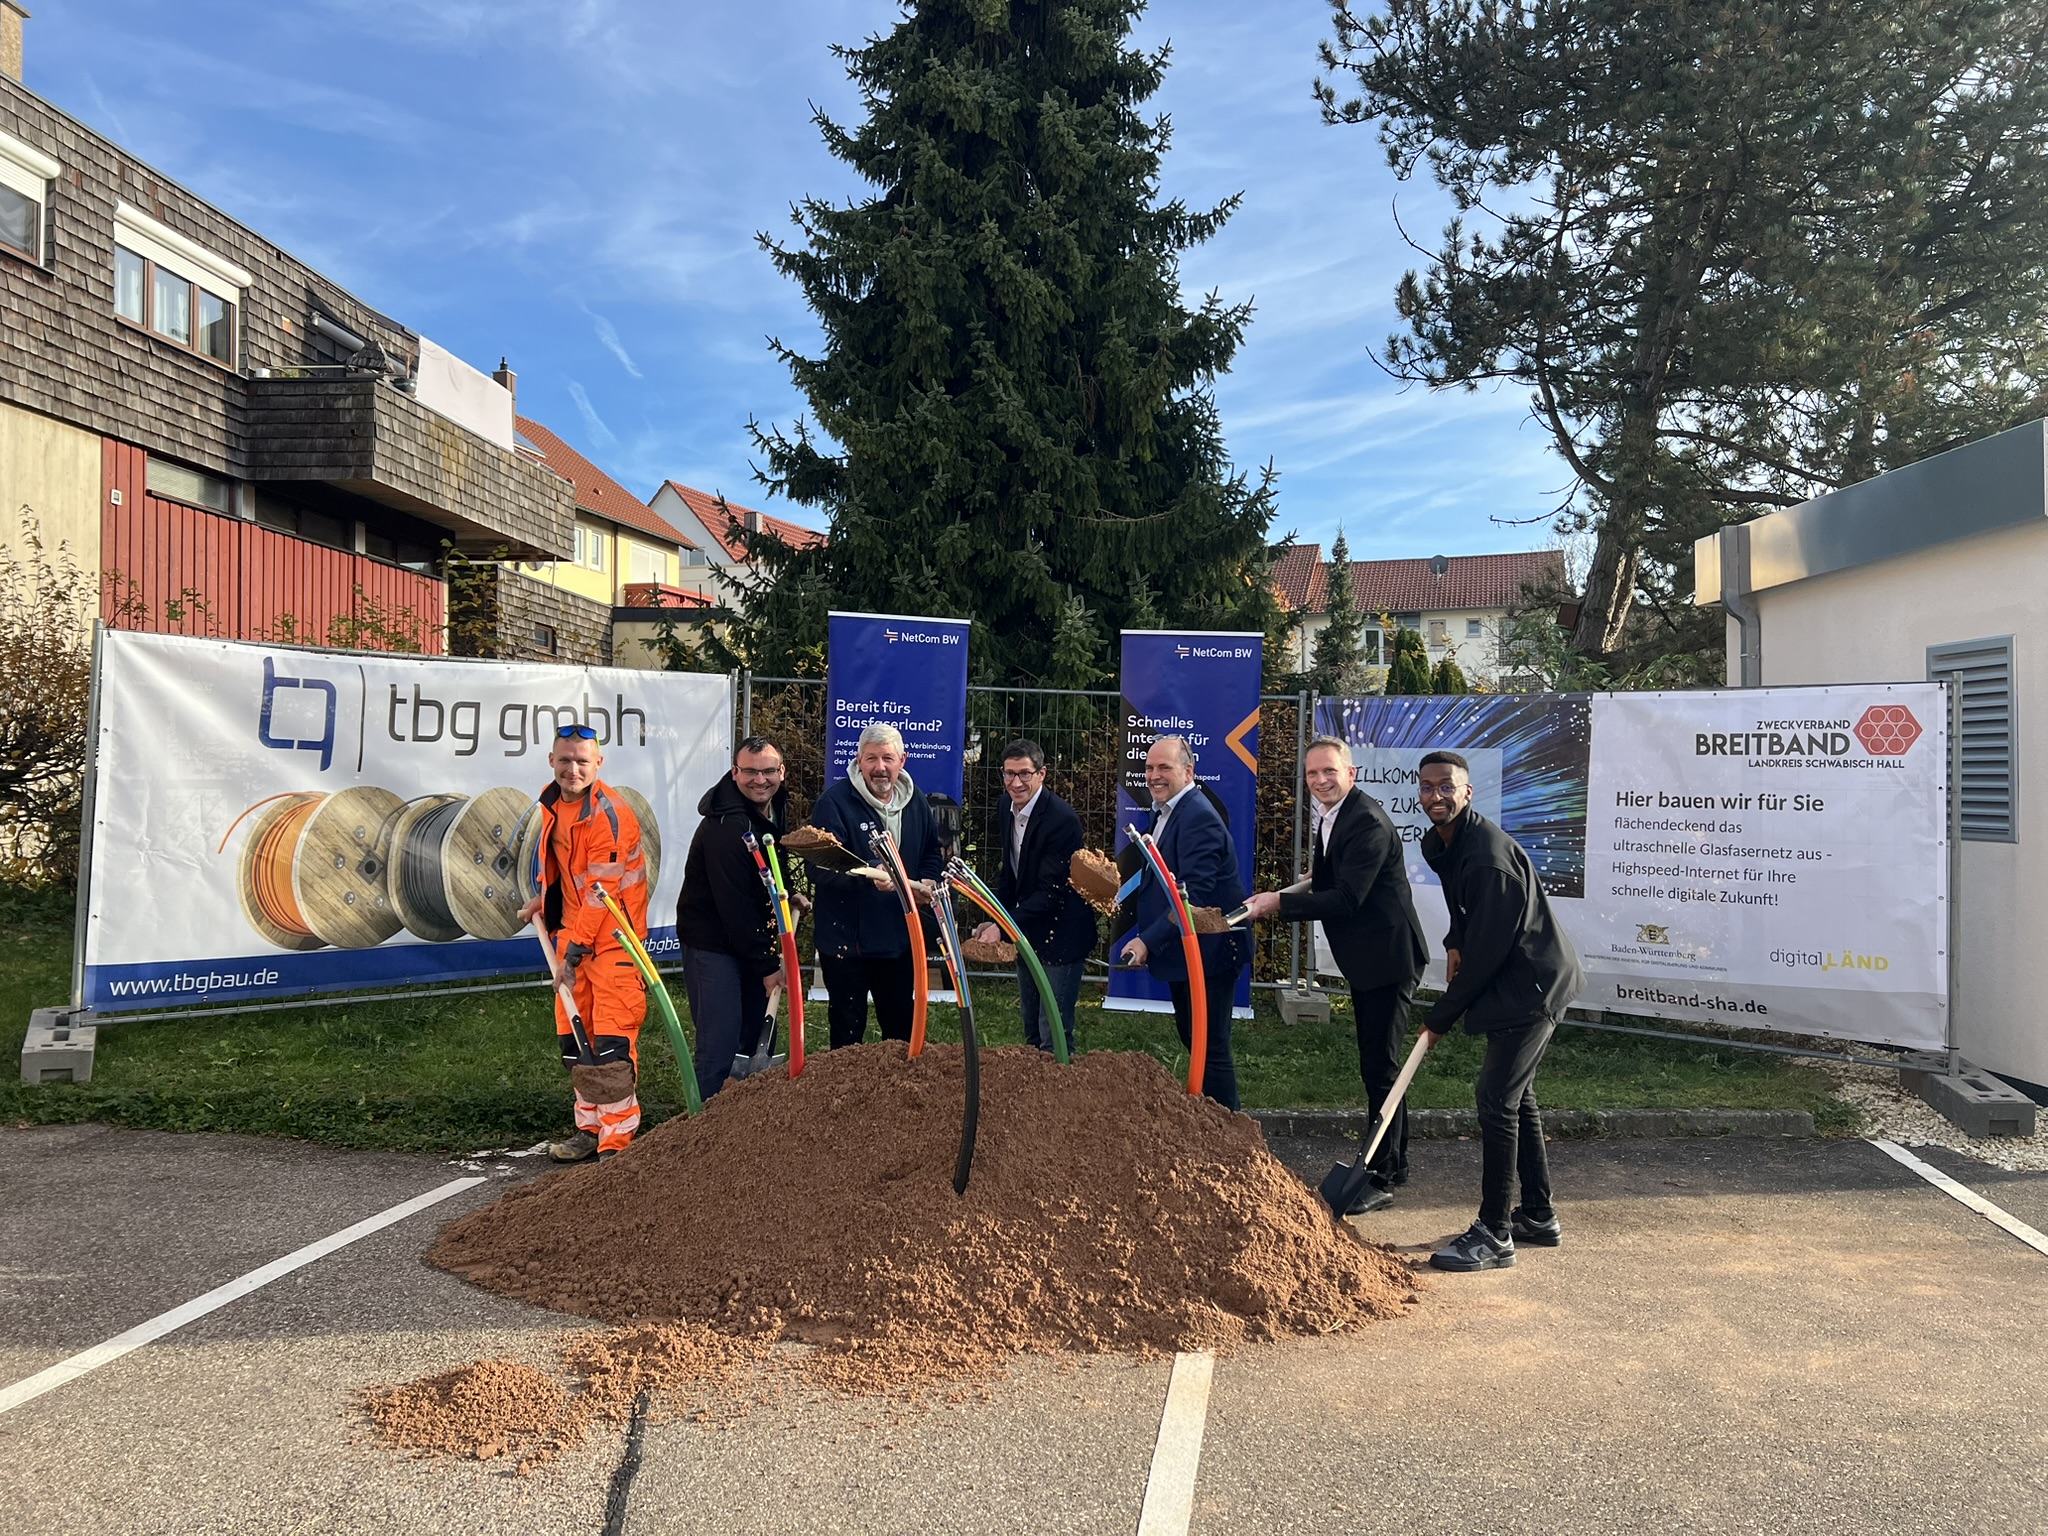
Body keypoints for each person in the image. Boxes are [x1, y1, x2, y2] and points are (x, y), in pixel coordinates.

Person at [1414, 749, 1585, 1272]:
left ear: (1467, 792)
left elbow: (1488, 953)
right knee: (1516, 1096)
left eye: (1447, 786)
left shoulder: (1488, 857)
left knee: (1496, 1099)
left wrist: (1440, 1018)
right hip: (1513, 978)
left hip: (1532, 985)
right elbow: (1462, 909)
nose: (1437, 795)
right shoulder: (1441, 842)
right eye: (1428, 786)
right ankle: (1538, 1214)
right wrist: (1454, 940)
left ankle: (1494, 1233)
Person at [1241, 734, 1427, 1214]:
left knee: (1381, 1068)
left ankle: (1381, 1176)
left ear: (1351, 774)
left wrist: (1279, 904)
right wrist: (1297, 887)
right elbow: (1329, 877)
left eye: (1329, 771)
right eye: (1312, 773)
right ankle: (1393, 1164)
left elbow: (1347, 898)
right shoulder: (1333, 815)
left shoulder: (1366, 822)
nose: (1320, 780)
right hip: (1369, 960)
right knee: (1379, 1067)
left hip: (1388, 959)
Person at [517, 725, 650, 1164]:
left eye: (581, 761)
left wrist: (572, 954)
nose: (572, 769)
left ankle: (617, 1140)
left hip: (613, 942)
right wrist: (545, 901)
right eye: (565, 760)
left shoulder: (609, 815)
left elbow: (600, 894)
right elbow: (567, 872)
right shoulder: (553, 804)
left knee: (611, 1043)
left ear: (598, 764)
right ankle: (590, 1129)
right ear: (552, 761)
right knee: (576, 1039)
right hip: (571, 937)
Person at [1119, 736, 1251, 1111]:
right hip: (1188, 950)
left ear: (1188, 772)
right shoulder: (1167, 810)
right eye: (1149, 768)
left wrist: (1147, 940)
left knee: (1209, 1047)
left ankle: (1228, 1130)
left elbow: (1194, 896)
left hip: (1210, 952)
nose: (1153, 775)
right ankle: (1210, 1123)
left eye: (1164, 767)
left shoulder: (1197, 818)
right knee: (1196, 1039)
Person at [674, 735, 808, 1101]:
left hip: (749, 938)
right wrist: (767, 966)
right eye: (750, 772)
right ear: (735, 773)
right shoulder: (727, 827)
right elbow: (734, 904)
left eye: (768, 771)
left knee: (755, 1035)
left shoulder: (771, 806)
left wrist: (788, 892)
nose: (760, 780)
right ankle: (704, 1122)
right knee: (720, 1042)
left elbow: (770, 861)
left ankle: (750, 1121)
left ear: (781, 772)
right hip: (713, 943)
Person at [809, 723, 943, 1047]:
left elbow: (930, 852)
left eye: (887, 758)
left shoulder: (915, 801)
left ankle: (897, 1080)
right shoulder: (835, 803)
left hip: (899, 938)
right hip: (847, 943)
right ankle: (846, 1081)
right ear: (858, 760)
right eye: (871, 759)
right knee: (847, 1034)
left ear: (902, 760)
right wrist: (870, 874)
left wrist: (927, 879)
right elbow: (818, 867)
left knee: (900, 1031)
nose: (879, 767)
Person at [974, 738, 1098, 1055]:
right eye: (1009, 773)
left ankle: (1060, 1083)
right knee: (1031, 1026)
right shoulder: (1005, 807)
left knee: (1053, 1031)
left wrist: (1003, 927)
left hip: (1062, 934)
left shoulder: (1062, 820)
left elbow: (1052, 892)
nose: (1016, 783)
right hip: (1027, 929)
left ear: (1042, 774)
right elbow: (1010, 873)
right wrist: (995, 918)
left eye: (1024, 774)